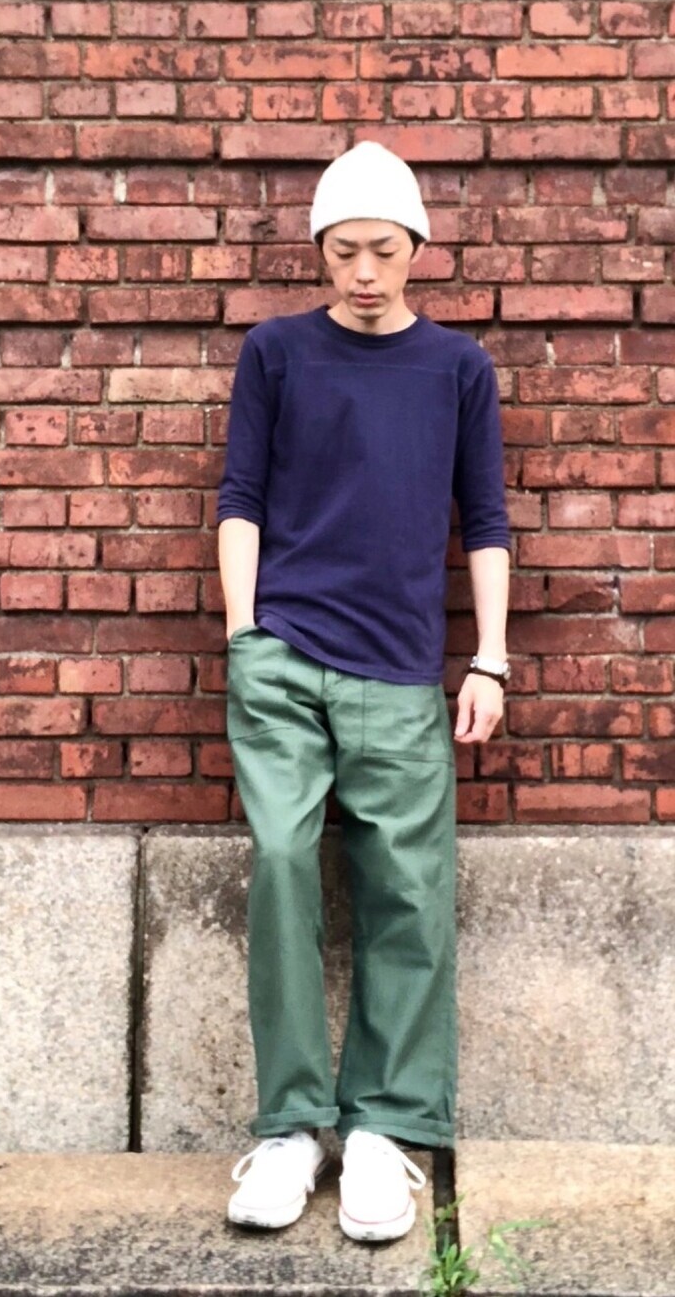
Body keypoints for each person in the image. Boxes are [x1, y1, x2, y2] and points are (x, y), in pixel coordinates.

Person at [216, 140, 511, 1243]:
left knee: (407, 893)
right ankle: (292, 1127)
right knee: (283, 866)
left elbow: (484, 518)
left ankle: (385, 1131)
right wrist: (244, 636)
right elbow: (240, 497)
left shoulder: (456, 368)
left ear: (417, 246)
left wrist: (489, 656)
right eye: (343, 252)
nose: (364, 272)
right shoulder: (277, 352)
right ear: (320, 251)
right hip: (285, 658)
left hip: (401, 667)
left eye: (383, 249)